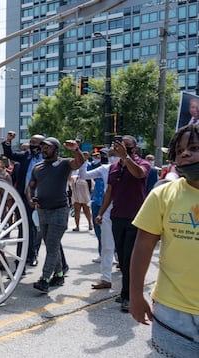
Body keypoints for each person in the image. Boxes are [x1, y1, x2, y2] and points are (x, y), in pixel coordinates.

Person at [130, 124, 199, 356]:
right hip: (172, 313)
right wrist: (135, 295)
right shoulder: (162, 194)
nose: (185, 154)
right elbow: (143, 246)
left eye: (194, 147)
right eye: (179, 151)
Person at [96, 135, 151, 312]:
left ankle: (129, 296)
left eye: (125, 146)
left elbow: (139, 174)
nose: (120, 149)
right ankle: (126, 292)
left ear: (133, 148)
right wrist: (101, 213)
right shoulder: (113, 167)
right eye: (118, 146)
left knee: (129, 258)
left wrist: (126, 158)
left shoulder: (142, 163)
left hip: (136, 218)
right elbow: (109, 192)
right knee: (122, 256)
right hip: (117, 217)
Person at [26, 137, 85, 293]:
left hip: (60, 210)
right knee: (52, 244)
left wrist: (76, 149)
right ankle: (59, 275)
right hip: (42, 211)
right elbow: (30, 187)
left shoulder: (64, 163)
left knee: (51, 244)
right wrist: (30, 198)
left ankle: (45, 279)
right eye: (43, 147)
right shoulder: (37, 167)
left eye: (48, 147)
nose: (44, 149)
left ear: (56, 150)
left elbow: (80, 163)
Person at [2, 131, 44, 267]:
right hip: (24, 198)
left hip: (43, 199)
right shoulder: (26, 156)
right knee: (24, 228)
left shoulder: (47, 158)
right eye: (30, 142)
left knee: (40, 229)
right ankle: (23, 257)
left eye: (35, 143)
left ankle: (34, 254)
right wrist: (9, 141)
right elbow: (10, 154)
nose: (32, 145)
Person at [78, 148, 116, 289]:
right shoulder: (104, 168)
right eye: (111, 155)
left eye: (115, 154)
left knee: (127, 247)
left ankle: (129, 280)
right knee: (107, 246)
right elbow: (83, 176)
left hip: (126, 211)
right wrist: (83, 161)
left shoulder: (130, 167)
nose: (113, 157)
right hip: (107, 210)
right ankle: (106, 279)